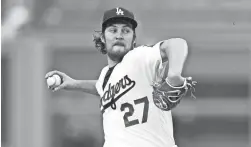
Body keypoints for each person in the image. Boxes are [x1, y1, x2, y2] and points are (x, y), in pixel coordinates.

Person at [45, 7, 196, 147]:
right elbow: (101, 87)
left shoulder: (139, 57)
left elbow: (177, 44)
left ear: (134, 39)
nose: (119, 35)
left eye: (126, 31)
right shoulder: (106, 75)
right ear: (103, 38)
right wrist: (73, 83)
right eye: (113, 30)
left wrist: (174, 75)